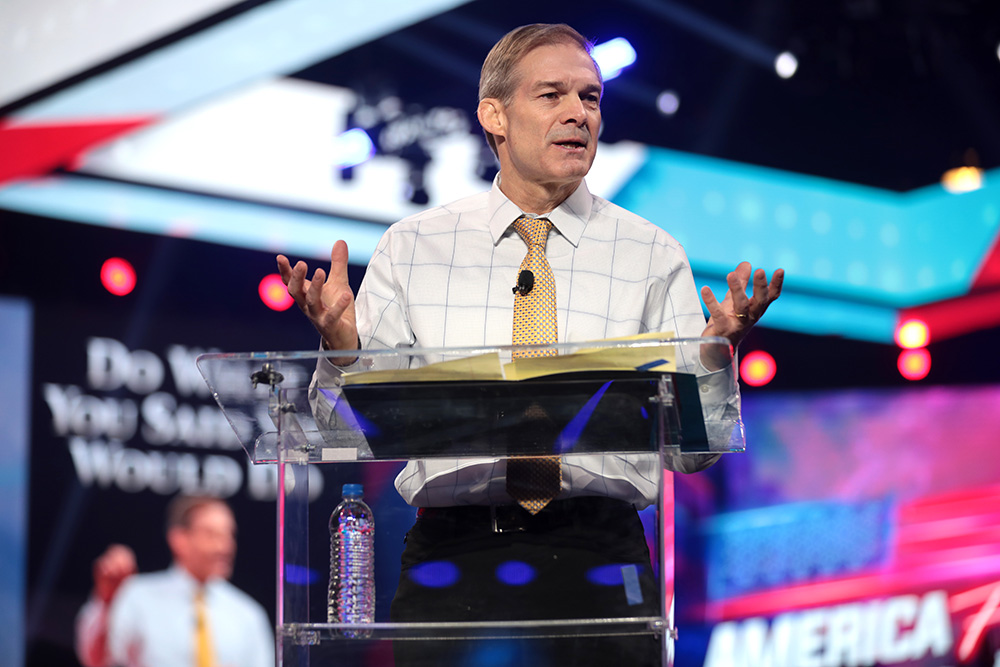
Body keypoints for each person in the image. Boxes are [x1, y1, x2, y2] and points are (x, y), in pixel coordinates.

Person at [277, 23, 783, 666]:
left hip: (600, 556)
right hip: (451, 558)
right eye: (552, 95)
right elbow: (342, 431)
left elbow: (696, 454)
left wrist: (713, 356)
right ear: (495, 116)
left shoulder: (652, 253)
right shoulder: (415, 246)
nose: (578, 113)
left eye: (591, 98)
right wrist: (344, 351)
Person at [75, 495, 274, 667]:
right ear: (179, 539)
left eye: (229, 535)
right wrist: (108, 604)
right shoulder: (136, 595)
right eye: (211, 535)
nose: (225, 547)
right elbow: (95, 660)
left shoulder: (248, 614)